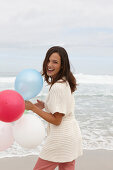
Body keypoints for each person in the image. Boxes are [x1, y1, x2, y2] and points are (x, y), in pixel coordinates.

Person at [25, 46, 83, 170]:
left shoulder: (58, 87)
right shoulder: (64, 82)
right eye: (48, 60)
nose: (49, 65)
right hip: (71, 137)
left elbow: (57, 120)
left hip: (60, 140)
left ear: (62, 66)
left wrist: (34, 109)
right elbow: (64, 109)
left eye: (55, 62)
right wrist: (45, 106)